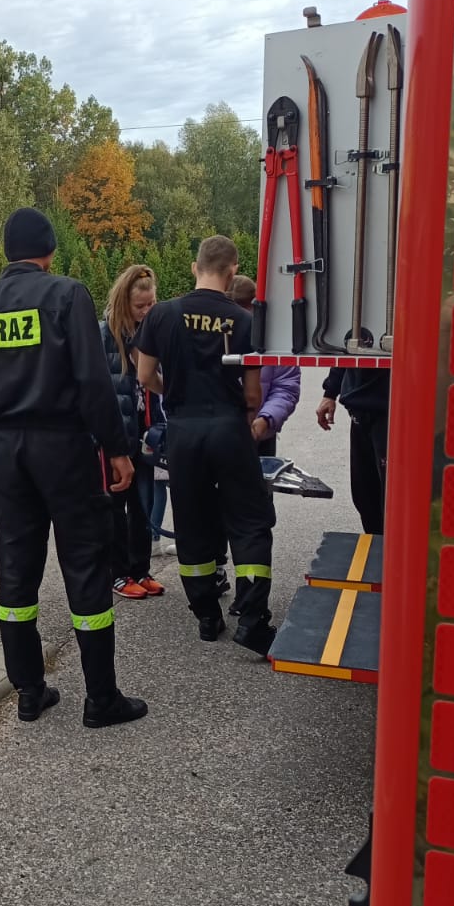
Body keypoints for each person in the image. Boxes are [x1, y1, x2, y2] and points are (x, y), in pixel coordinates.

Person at [0, 208, 148, 729]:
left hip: (6, 452)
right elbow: (92, 380)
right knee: (84, 565)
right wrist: (117, 448)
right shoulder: (66, 294)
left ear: (7, 252)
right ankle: (101, 698)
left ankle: (29, 691)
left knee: (16, 571)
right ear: (50, 250)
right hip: (63, 447)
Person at [135, 234, 276, 655]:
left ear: (195, 267)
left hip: (183, 430)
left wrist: (176, 396)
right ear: (233, 271)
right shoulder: (245, 321)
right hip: (230, 427)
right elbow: (253, 395)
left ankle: (207, 616)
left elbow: (144, 377)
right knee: (249, 521)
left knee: (193, 520)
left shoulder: (162, 314)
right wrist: (241, 420)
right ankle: (251, 618)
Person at [100, 264, 165, 600]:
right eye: (140, 306)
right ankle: (117, 573)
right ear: (124, 302)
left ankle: (141, 569)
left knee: (142, 504)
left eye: (151, 304)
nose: (147, 310)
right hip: (116, 433)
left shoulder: (151, 334)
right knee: (115, 505)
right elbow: (99, 390)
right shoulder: (104, 335)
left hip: (146, 429)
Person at [229, 275, 300, 457]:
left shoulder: (277, 339)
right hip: (219, 434)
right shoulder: (213, 335)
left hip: (260, 435)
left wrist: (266, 419)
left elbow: (286, 386)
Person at [317, 367, 390, 534]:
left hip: (394, 409)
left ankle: (393, 545)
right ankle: (376, 543)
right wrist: (330, 392)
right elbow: (346, 352)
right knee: (364, 494)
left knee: (391, 497)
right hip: (360, 407)